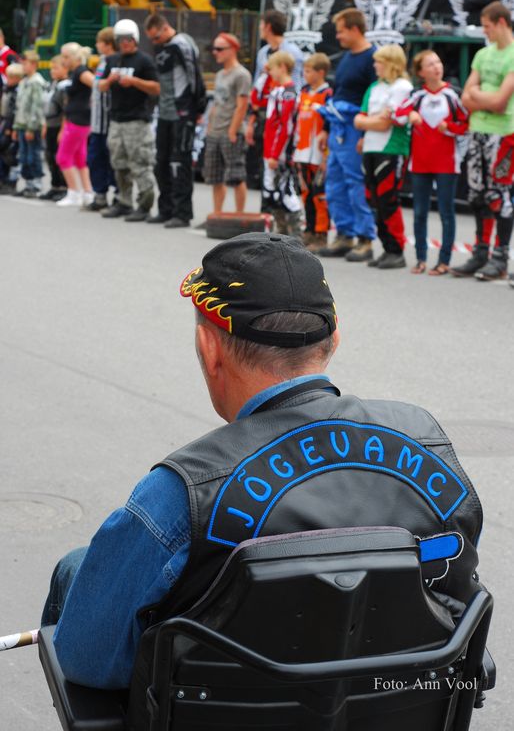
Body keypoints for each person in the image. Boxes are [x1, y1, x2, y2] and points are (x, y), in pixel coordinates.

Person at [42, 233, 482, 725]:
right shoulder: (429, 444)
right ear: (334, 338)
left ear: (209, 347)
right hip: (393, 714)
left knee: (76, 569)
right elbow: (454, 608)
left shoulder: (182, 493)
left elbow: (85, 660)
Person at [452, 1, 514, 281]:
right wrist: (485, 98)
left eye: (487, 26)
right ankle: (480, 252)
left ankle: (500, 257)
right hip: (478, 131)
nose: (485, 32)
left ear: (501, 23)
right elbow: (465, 97)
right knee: (476, 195)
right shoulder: (482, 54)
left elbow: (501, 102)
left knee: (499, 195)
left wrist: (480, 96)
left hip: (503, 134)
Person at [396, 51, 469, 275]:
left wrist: (450, 128)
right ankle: (421, 259)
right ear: (420, 72)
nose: (436, 67)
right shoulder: (417, 95)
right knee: (420, 212)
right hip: (420, 162)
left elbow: (466, 124)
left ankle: (444, 260)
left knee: (446, 212)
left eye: (438, 62)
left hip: (447, 163)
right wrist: (410, 115)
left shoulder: (453, 95)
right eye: (430, 64)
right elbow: (398, 113)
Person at [318, 8, 377, 262]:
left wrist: (365, 133)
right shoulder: (347, 57)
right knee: (334, 183)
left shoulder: (372, 58)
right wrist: (326, 129)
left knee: (355, 183)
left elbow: (374, 98)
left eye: (341, 31)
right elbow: (337, 93)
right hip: (338, 128)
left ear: (354, 29)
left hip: (355, 129)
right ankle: (344, 234)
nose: (338, 36)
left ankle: (365, 238)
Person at [354, 44, 412, 270]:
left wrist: (372, 121)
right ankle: (387, 247)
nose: (375, 65)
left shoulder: (402, 87)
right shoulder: (374, 87)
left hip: (392, 149)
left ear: (391, 63)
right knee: (374, 200)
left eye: (379, 61)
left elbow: (387, 122)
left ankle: (396, 250)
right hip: (370, 147)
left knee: (388, 200)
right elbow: (359, 119)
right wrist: (374, 120)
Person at [144, 13, 205, 228]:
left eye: (156, 37)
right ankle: (165, 209)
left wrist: (198, 106)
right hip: (164, 112)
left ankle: (182, 212)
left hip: (182, 111)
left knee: (179, 162)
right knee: (161, 162)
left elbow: (194, 75)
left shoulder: (182, 44)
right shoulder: (163, 47)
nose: (155, 42)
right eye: (151, 39)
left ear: (165, 28)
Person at [100, 19, 160, 222]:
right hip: (116, 120)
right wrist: (110, 80)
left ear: (135, 39)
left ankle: (145, 204)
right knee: (119, 163)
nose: (124, 43)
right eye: (120, 39)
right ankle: (124, 202)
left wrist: (134, 81)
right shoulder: (112, 60)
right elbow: (100, 86)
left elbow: (156, 88)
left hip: (137, 121)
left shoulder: (144, 61)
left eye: (128, 39)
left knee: (140, 163)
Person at [246, 10, 304, 206]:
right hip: (267, 110)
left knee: (280, 170)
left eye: (262, 25)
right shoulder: (263, 53)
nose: (260, 28)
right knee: (266, 171)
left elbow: (295, 87)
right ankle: (268, 210)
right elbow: (257, 88)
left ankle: (288, 210)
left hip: (283, 114)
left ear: (269, 26)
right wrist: (252, 119)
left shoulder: (292, 53)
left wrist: (286, 107)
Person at [203, 32, 251, 213]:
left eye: (220, 49)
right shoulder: (220, 75)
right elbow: (217, 103)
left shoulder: (241, 75)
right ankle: (217, 214)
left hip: (231, 132)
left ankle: (239, 216)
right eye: (214, 48)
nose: (215, 52)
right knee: (215, 178)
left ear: (233, 49)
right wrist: (209, 126)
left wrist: (232, 130)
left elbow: (242, 105)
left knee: (236, 176)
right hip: (215, 131)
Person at [293, 52, 332, 253]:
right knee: (306, 193)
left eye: (308, 71)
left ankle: (321, 233)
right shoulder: (304, 92)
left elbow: (330, 121)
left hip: (319, 153)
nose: (305, 75)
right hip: (302, 151)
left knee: (320, 195)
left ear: (321, 72)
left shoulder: (327, 94)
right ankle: (308, 229)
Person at [262, 51, 303, 235]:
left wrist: (275, 154)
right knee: (271, 193)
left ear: (283, 67)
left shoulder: (289, 93)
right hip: (270, 150)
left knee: (286, 192)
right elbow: (256, 99)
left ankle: (296, 235)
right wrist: (264, 76)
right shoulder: (277, 90)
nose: (270, 72)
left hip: (280, 152)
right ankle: (281, 234)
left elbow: (285, 127)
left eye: (272, 68)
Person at [55, 43, 95, 207]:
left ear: (74, 57)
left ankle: (74, 192)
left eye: (66, 57)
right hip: (78, 119)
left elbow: (96, 84)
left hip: (78, 120)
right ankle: (87, 192)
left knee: (63, 157)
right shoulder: (76, 72)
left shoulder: (81, 71)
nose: (63, 60)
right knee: (79, 158)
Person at [84, 27, 117, 212]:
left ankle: (119, 195)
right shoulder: (102, 62)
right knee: (95, 159)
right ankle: (100, 194)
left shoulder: (115, 61)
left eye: (99, 42)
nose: (96, 45)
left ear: (108, 44)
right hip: (96, 123)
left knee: (113, 160)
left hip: (109, 121)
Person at [12, 50, 46, 198]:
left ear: (34, 64)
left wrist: (31, 128)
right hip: (21, 125)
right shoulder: (24, 82)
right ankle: (28, 184)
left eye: (25, 64)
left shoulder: (36, 82)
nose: (23, 67)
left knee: (33, 155)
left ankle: (36, 184)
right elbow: (19, 106)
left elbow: (36, 107)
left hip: (31, 126)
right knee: (24, 156)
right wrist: (15, 126)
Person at [39, 55, 69, 202]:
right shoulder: (53, 84)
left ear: (65, 69)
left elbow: (65, 110)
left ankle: (64, 187)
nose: (52, 71)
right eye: (51, 68)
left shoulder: (65, 86)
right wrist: (45, 125)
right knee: (49, 156)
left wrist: (63, 130)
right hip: (50, 125)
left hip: (59, 126)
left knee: (59, 157)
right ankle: (55, 185)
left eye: (56, 68)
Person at [0, 62, 23, 194]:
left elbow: (15, 112)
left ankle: (10, 181)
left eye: (11, 77)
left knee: (9, 152)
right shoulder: (6, 89)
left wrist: (11, 128)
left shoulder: (17, 92)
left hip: (11, 124)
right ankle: (2, 179)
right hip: (4, 122)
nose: (8, 79)